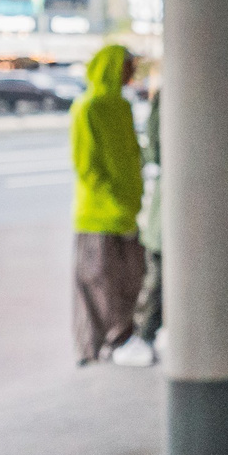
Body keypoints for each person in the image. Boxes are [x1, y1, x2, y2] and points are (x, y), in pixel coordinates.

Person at [69, 43, 145, 363]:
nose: (133, 73)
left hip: (126, 213)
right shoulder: (88, 107)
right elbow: (87, 166)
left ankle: (122, 339)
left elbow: (132, 155)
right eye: (128, 66)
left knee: (130, 278)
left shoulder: (122, 107)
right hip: (98, 216)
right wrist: (114, 199)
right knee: (98, 281)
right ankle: (97, 346)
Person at [113, 72, 163, 367]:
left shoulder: (172, 95)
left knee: (158, 269)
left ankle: (144, 336)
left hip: (175, 208)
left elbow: (154, 150)